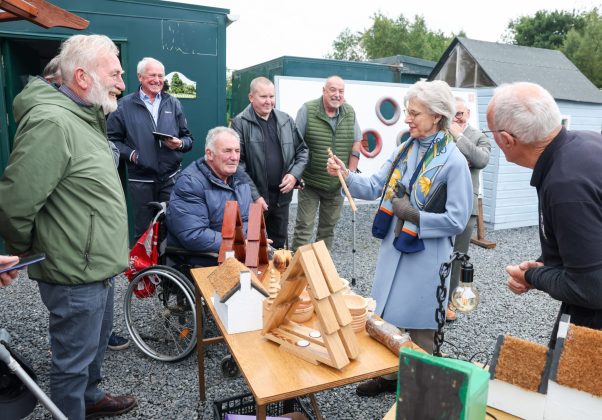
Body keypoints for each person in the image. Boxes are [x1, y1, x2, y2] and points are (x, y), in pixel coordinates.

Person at [0, 34, 136, 419]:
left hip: (98, 266)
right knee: (71, 363)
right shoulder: (52, 121)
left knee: (92, 350)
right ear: (81, 76)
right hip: (74, 271)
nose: (122, 83)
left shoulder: (85, 113)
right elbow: (15, 202)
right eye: (115, 74)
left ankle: (90, 399)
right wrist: (28, 249)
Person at [327, 80, 472, 396]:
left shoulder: (454, 160)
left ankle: (421, 391)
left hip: (426, 257)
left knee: (421, 328)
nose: (407, 118)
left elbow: (458, 220)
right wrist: (345, 174)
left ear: (436, 116)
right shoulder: (405, 148)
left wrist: (416, 216)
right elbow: (375, 185)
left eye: (414, 113)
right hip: (395, 249)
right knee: (388, 318)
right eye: (407, 111)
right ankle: (390, 377)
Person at [487, 82, 602, 347]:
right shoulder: (586, 142)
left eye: (490, 131)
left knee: (566, 387)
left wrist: (530, 276)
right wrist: (546, 264)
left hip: (593, 327)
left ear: (506, 139)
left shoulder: (566, 185)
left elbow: (590, 288)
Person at [107, 57, 194, 239]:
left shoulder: (173, 103)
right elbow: (110, 139)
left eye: (160, 75)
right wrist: (132, 155)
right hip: (140, 181)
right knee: (144, 231)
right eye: (152, 75)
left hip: (170, 178)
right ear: (140, 77)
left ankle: (166, 267)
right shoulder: (124, 105)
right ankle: (145, 268)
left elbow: (188, 139)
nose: (157, 80)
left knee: (171, 227)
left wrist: (180, 143)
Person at [230, 77, 308, 249]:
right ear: (251, 97)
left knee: (279, 247)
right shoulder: (239, 124)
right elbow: (237, 164)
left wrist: (294, 175)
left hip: (282, 199)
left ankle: (277, 277)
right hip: (255, 199)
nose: (269, 101)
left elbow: (302, 151)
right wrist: (255, 196)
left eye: (272, 96)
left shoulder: (286, 120)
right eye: (263, 97)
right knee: (253, 247)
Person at [291, 75, 363, 251]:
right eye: (333, 90)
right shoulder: (307, 110)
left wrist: (350, 174)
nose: (337, 94)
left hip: (336, 185)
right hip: (310, 182)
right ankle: (297, 274)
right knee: (303, 229)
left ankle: (321, 273)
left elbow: (357, 141)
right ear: (324, 91)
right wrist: (295, 175)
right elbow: (294, 143)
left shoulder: (349, 112)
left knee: (327, 230)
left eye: (341, 91)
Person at [166, 127, 252, 266]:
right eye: (227, 151)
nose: (234, 157)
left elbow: (250, 219)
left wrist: (255, 239)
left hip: (237, 255)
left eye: (237, 151)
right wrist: (238, 243)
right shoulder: (190, 183)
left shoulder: (240, 178)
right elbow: (194, 235)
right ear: (209, 154)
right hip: (206, 260)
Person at [446, 97, 491, 321]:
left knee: (457, 256)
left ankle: (449, 303)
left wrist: (458, 136)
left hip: (466, 205)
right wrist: (466, 158)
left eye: (461, 113)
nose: (457, 117)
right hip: (440, 203)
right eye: (453, 113)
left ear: (468, 113)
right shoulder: (441, 133)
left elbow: (481, 159)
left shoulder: (480, 136)